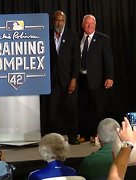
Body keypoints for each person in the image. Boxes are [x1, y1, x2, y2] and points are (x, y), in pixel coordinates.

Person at [40, 10, 81, 145]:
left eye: (62, 20)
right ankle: (54, 139)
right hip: (52, 80)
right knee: (52, 111)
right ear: (53, 21)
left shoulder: (72, 36)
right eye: (57, 20)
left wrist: (74, 78)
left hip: (68, 79)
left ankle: (73, 137)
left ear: (65, 21)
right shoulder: (45, 35)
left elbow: (76, 59)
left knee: (71, 109)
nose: (59, 23)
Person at [78, 14, 114, 142]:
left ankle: (97, 135)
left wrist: (109, 77)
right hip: (81, 79)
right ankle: (84, 134)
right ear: (83, 25)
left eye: (92, 24)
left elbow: (108, 60)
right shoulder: (77, 38)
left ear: (95, 25)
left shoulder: (103, 39)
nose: (89, 26)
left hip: (96, 80)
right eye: (87, 24)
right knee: (82, 108)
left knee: (97, 109)